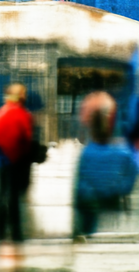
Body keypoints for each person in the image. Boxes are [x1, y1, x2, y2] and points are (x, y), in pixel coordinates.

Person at [74, 91, 138, 236]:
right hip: (112, 202)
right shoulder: (124, 153)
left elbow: (81, 185)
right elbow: (130, 175)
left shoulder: (87, 153)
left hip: (92, 204)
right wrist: (118, 190)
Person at [0, 82, 34, 244]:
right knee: (13, 197)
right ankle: (16, 234)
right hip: (14, 159)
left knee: (1, 195)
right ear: (19, 96)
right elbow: (26, 139)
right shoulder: (22, 114)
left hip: (0, 159)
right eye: (23, 93)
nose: (25, 96)